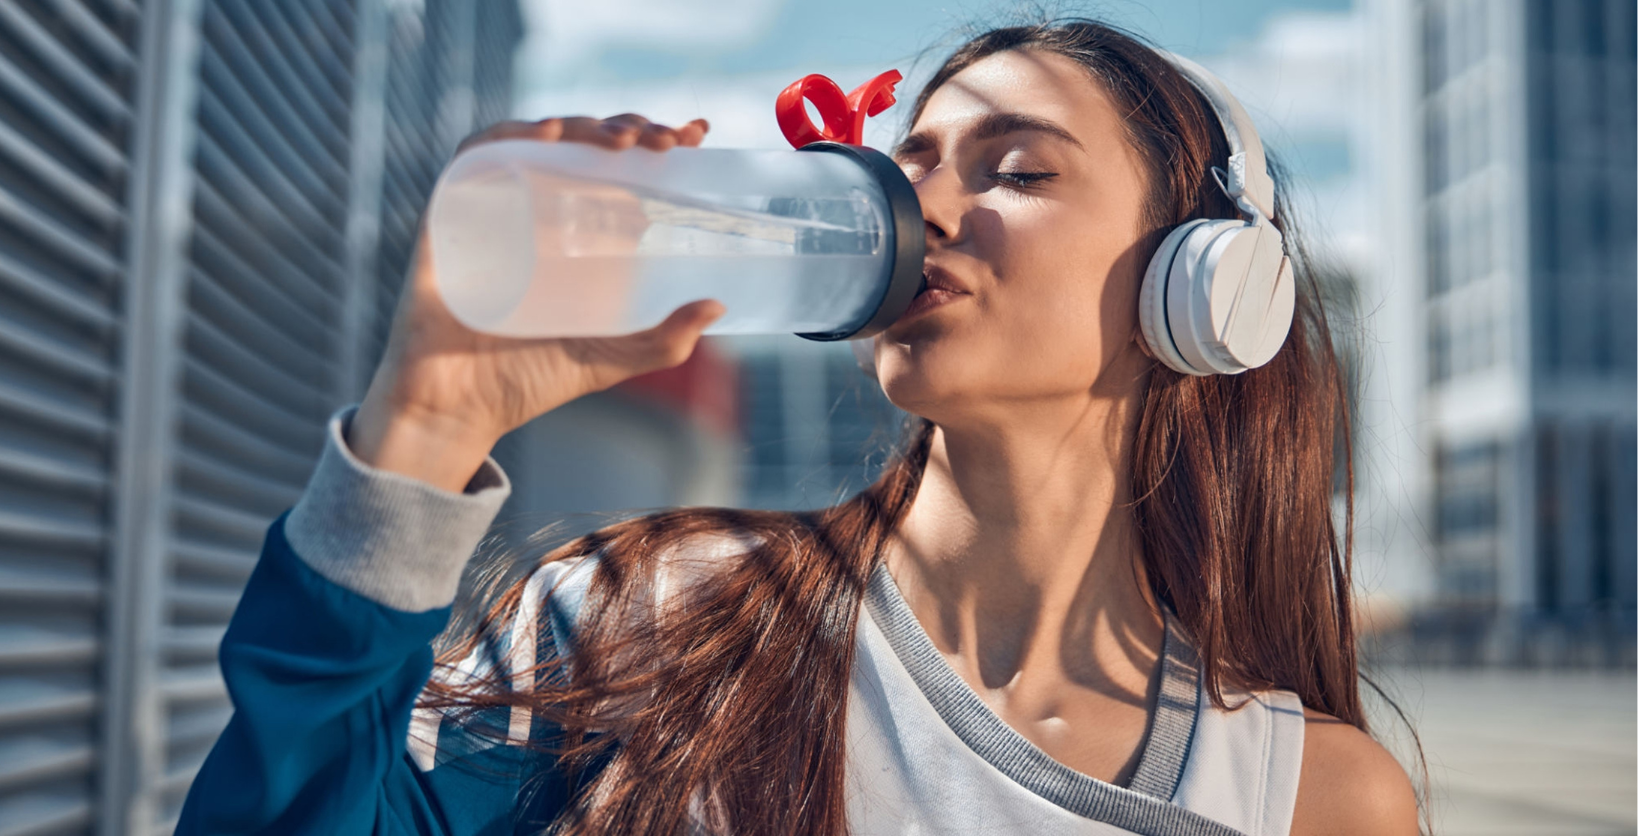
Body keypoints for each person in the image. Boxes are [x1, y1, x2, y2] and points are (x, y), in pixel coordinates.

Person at [177, 18, 1420, 836]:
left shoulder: (1309, 796)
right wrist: (425, 423)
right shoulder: (640, 614)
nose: (917, 203)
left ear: (1204, 287)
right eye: (909, 159)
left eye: (1016, 169)